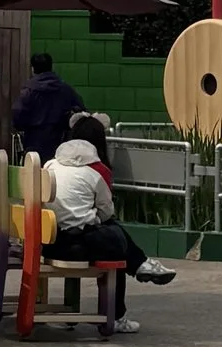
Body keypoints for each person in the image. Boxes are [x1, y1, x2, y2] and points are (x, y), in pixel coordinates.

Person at [46, 134, 175, 333]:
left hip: (49, 244)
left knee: (113, 236)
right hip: (78, 247)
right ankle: (118, 314)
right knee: (116, 245)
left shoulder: (48, 167)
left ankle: (140, 264)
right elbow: (107, 213)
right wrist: (92, 216)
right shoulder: (91, 175)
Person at [11, 52, 83, 162]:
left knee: (34, 173)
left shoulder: (29, 91)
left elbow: (18, 113)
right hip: (60, 141)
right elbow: (81, 111)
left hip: (33, 140)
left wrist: (22, 127)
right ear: (51, 67)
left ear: (33, 69)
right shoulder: (65, 89)